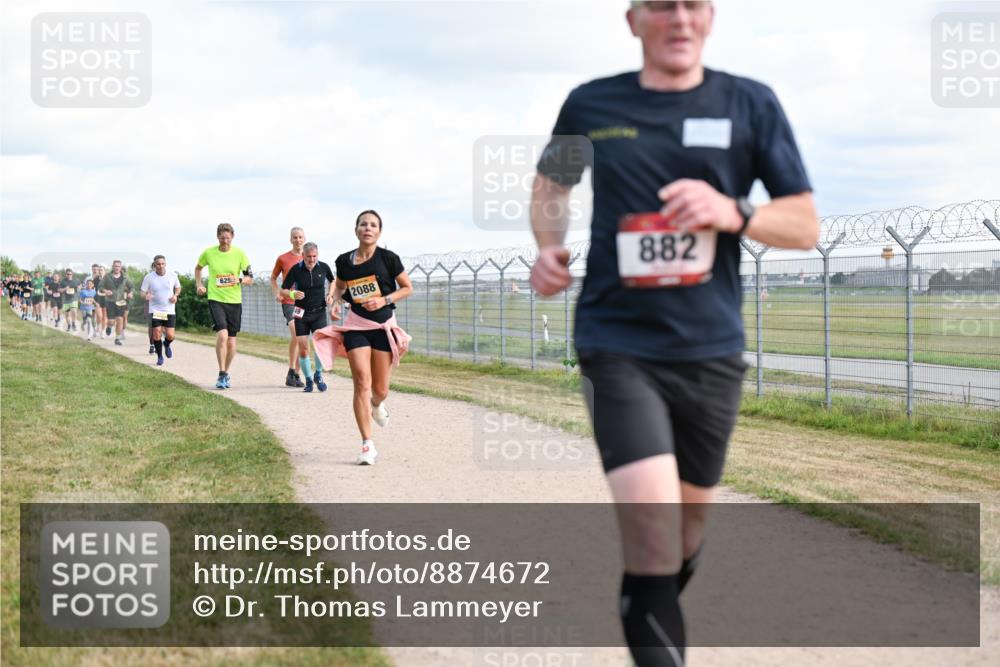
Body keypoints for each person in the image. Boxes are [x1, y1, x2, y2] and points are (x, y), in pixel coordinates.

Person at [529, 2, 820, 664]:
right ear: (634, 20)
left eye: (693, 5)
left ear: (710, 18)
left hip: (711, 350)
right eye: (662, 5)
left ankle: (647, 593)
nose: (679, 18)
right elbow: (552, 184)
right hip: (616, 341)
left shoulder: (750, 103)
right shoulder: (592, 103)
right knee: (654, 529)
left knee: (682, 538)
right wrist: (549, 246)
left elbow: (804, 225)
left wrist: (733, 210)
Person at [314, 210, 413, 466]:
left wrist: (384, 299)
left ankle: (377, 405)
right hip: (357, 326)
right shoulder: (344, 261)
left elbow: (407, 287)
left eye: (373, 225)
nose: (367, 228)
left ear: (379, 231)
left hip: (382, 326)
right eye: (363, 224)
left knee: (380, 390)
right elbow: (340, 286)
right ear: (356, 229)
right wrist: (334, 300)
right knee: (361, 380)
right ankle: (367, 444)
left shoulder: (389, 259)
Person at [195, 223, 252, 389]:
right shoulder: (209, 253)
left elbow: (250, 278)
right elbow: (198, 268)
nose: (225, 241)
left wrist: (240, 279)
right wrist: (199, 284)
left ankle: (226, 372)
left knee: (232, 340)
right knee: (222, 334)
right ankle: (221, 373)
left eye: (227, 238)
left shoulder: (240, 254)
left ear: (232, 237)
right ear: (217, 237)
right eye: (222, 238)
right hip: (216, 298)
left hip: (234, 301)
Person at [279, 242, 336, 392]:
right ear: (303, 255)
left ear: (318, 255)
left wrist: (330, 295)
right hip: (301, 313)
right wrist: (292, 294)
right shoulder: (296, 270)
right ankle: (309, 380)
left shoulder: (323, 267)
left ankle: (318, 374)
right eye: (309, 256)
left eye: (314, 256)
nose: (312, 259)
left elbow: (333, 281)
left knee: (320, 346)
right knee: (303, 349)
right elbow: (283, 290)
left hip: (319, 312)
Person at [271, 227, 307, 387]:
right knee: (297, 333)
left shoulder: (310, 258)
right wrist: (277, 293)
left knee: (300, 338)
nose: (298, 240)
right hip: (289, 302)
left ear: (304, 239)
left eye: (300, 237)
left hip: (304, 303)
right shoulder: (283, 258)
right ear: (290, 239)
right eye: (295, 237)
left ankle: (294, 374)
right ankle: (293, 372)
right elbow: (273, 278)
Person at [141, 255, 182, 366]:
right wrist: (146, 296)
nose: (161, 266)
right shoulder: (149, 277)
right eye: (158, 264)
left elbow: (178, 287)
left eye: (163, 264)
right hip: (155, 309)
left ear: (165, 264)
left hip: (169, 310)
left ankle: (167, 344)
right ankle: (159, 356)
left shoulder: (172, 275)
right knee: (157, 334)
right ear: (154, 265)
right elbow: (142, 292)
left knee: (170, 335)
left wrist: (176, 295)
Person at [99, 260, 135, 346]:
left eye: (118, 266)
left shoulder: (125, 277)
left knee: (120, 319)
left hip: (121, 302)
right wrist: (106, 291)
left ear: (120, 267)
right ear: (113, 267)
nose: (117, 268)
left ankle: (117, 338)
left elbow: (132, 287)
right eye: (115, 266)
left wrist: (130, 293)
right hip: (110, 301)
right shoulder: (107, 276)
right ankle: (109, 327)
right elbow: (100, 286)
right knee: (111, 321)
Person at [91, 264, 107, 337]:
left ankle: (103, 331)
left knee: (104, 316)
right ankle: (97, 328)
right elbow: (91, 289)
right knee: (99, 316)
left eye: (102, 270)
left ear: (104, 271)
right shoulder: (95, 280)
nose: (100, 271)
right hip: (97, 300)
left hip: (106, 300)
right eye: (99, 270)